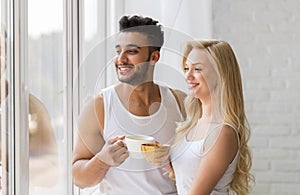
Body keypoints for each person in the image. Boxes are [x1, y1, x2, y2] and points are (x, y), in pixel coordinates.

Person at [72, 15, 186, 194]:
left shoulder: (180, 103)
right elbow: (79, 179)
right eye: (118, 51)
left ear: (154, 57)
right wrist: (103, 160)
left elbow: (200, 166)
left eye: (131, 52)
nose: (121, 59)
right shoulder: (99, 107)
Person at [170, 40, 255, 195]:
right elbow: (189, 179)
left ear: (220, 73)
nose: (188, 75)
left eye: (197, 69)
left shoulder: (223, 132)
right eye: (186, 68)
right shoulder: (193, 124)